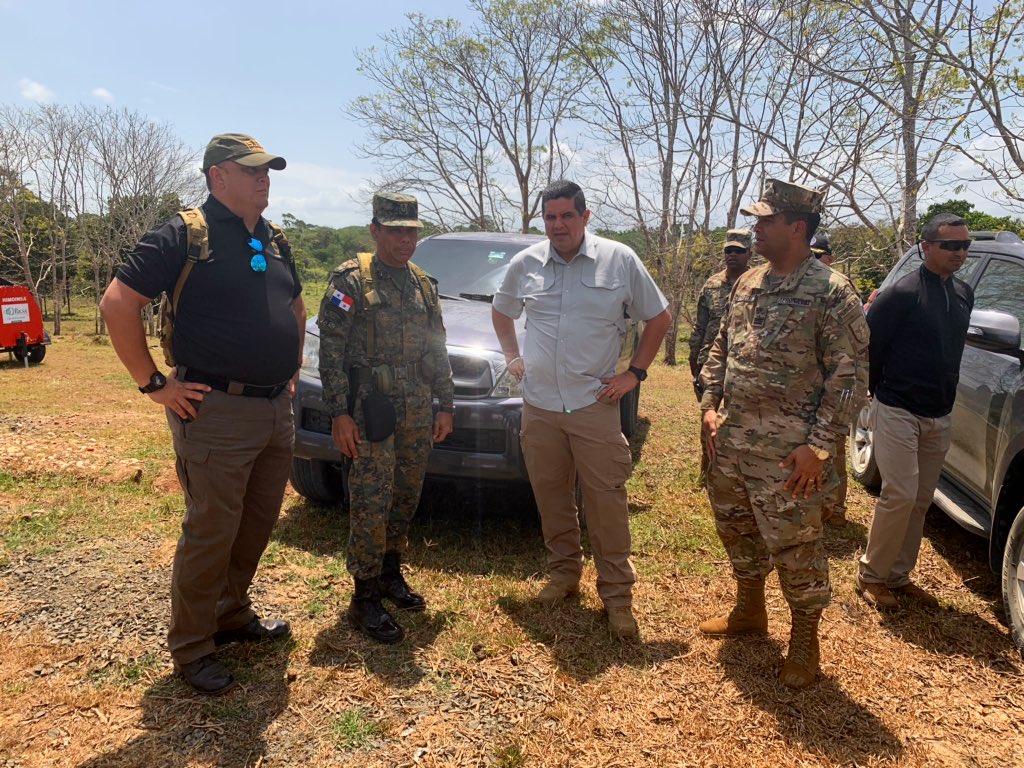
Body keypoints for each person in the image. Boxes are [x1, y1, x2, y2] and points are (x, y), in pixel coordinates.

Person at [100, 133, 305, 695]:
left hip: (272, 407)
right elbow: (118, 303)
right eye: (254, 170)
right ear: (219, 176)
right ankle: (192, 647)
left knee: (257, 523)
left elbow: (294, 303)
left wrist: (292, 364)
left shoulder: (274, 237)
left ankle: (231, 615)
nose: (266, 179)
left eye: (269, 171)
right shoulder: (183, 234)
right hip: (215, 409)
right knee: (212, 529)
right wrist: (153, 384)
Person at [698, 179, 869, 689]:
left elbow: (851, 376)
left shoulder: (832, 292)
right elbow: (721, 345)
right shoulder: (748, 283)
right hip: (731, 442)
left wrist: (819, 447)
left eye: (765, 221)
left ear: (797, 228)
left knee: (797, 547)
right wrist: (709, 404)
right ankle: (749, 609)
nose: (756, 228)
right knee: (736, 528)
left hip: (789, 454)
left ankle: (805, 642)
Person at [491, 180, 671, 641]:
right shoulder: (526, 263)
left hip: (594, 404)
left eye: (567, 216)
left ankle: (617, 599)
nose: (558, 226)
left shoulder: (619, 259)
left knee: (606, 503)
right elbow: (502, 311)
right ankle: (564, 575)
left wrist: (635, 373)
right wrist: (513, 356)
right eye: (550, 218)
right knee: (551, 496)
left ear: (585, 217)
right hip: (540, 406)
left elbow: (659, 317)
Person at [317, 193, 454, 644]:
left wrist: (446, 404)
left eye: (411, 230)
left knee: (405, 495)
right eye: (395, 230)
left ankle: (392, 574)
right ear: (375, 230)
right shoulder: (351, 280)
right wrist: (338, 413)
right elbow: (331, 353)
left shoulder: (423, 283)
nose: (404, 239)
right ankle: (365, 598)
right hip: (370, 408)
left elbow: (437, 346)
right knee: (371, 500)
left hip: (417, 406)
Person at [856, 214, 974, 610]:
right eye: (950, 245)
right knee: (900, 494)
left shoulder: (963, 293)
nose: (959, 252)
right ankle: (871, 575)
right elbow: (870, 349)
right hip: (898, 408)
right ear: (926, 246)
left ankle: (897, 574)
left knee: (921, 499)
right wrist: (873, 395)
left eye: (964, 246)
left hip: (939, 412)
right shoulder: (901, 293)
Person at [690, 229, 752, 483]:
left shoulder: (759, 282)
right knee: (708, 415)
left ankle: (739, 472)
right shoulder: (712, 284)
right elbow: (700, 326)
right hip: (712, 362)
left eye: (738, 251)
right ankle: (709, 470)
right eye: (728, 250)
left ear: (750, 253)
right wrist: (694, 361)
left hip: (744, 364)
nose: (732, 255)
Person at [811, 233, 851, 527]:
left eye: (819, 255)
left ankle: (835, 509)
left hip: (834, 387)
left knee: (833, 450)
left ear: (830, 258)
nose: (815, 261)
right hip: (804, 388)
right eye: (810, 255)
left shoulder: (839, 288)